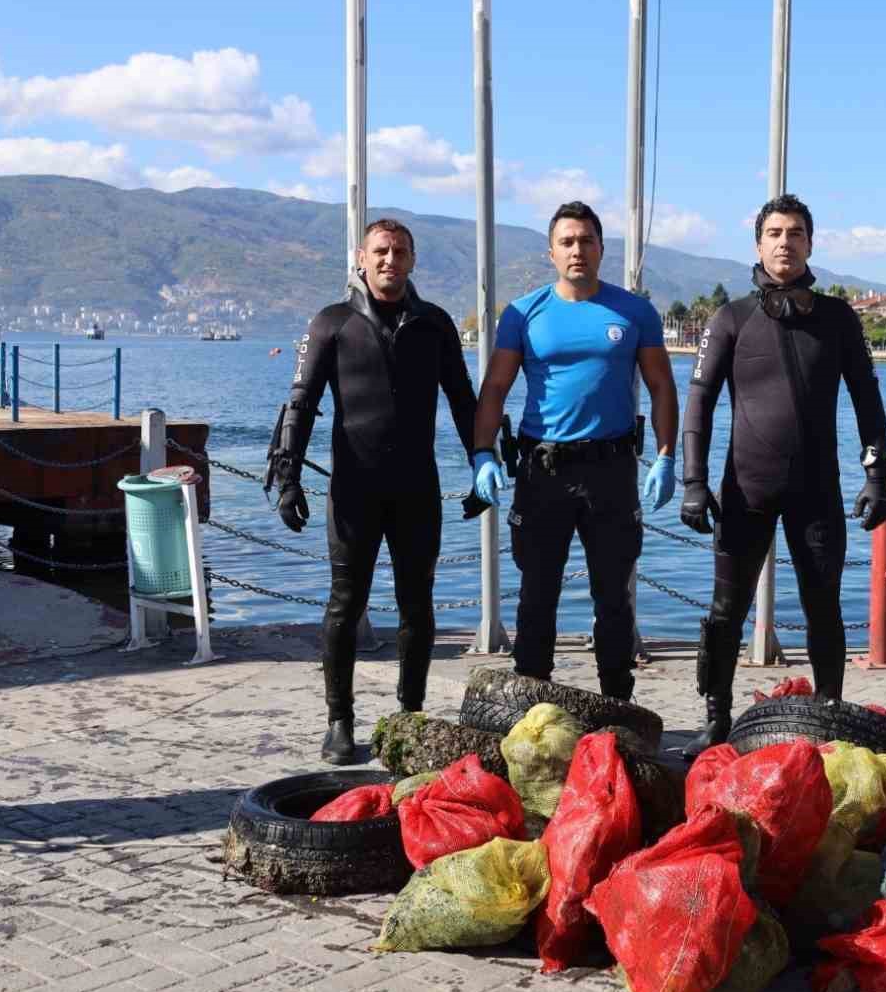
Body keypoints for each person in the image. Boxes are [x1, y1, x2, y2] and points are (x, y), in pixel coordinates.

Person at [677, 193, 886, 758]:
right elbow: (698, 403)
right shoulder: (731, 318)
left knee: (824, 608)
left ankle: (829, 715)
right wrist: (693, 482)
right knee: (726, 613)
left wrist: (876, 477)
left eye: (795, 233)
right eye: (774, 233)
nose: (784, 242)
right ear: (758, 244)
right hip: (745, 490)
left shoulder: (838, 319)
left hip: (816, 490)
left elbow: (867, 400)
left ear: (810, 244)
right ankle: (716, 719)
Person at [267, 218, 478, 764]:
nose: (390, 260)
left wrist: (484, 463)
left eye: (400, 251)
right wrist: (288, 476)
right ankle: (339, 721)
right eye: (381, 251)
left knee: (417, 604)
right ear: (361, 258)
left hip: (417, 489)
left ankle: (410, 715)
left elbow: (463, 400)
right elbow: (302, 401)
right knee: (345, 603)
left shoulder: (434, 324)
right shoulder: (332, 323)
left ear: (412, 260)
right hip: (354, 490)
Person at [469, 201, 678, 699]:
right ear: (551, 252)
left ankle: (616, 703)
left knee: (614, 596)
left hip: (612, 470)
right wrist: (482, 454)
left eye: (586, 240)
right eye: (567, 242)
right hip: (543, 471)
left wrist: (667, 456)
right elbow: (495, 388)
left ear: (601, 248)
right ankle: (531, 702)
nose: (577, 250)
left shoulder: (634, 312)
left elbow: (662, 387)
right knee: (537, 594)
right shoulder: (523, 313)